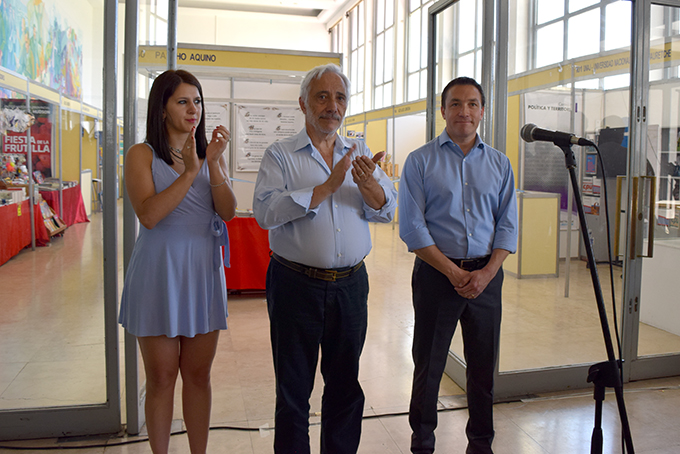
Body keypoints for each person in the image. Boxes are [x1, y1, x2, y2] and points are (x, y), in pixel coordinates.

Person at [253, 63, 397, 454]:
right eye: (322, 96)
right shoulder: (280, 155)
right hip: (295, 285)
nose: (332, 106)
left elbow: (386, 211)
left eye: (340, 98)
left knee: (345, 386)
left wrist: (370, 187)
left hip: (351, 285)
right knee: (293, 388)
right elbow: (265, 213)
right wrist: (327, 186)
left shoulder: (359, 151)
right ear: (303, 103)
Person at [118, 69, 237, 454]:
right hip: (159, 274)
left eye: (198, 101)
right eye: (182, 101)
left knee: (199, 376)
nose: (193, 109)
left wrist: (213, 164)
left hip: (203, 272)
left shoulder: (208, 155)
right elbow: (150, 215)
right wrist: (189, 172)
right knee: (162, 378)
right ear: (162, 108)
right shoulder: (141, 155)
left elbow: (229, 211)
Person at [398, 77, 518, 454]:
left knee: (482, 369)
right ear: (443, 110)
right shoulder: (420, 161)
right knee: (428, 366)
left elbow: (508, 224)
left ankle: (481, 443)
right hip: (437, 275)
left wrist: (486, 273)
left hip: (486, 278)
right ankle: (423, 441)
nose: (463, 111)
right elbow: (412, 228)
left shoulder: (499, 162)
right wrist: (453, 271)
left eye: (472, 104)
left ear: (482, 111)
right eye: (455, 104)